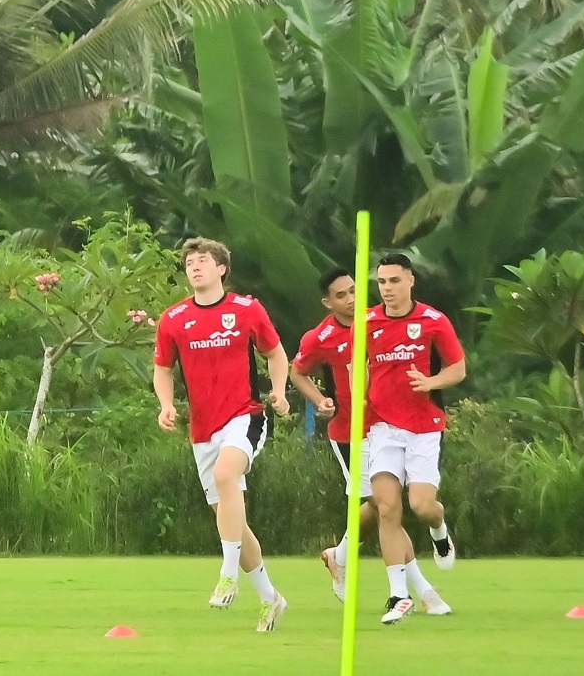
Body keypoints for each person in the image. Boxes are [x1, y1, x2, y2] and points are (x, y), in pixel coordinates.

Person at [152, 237, 293, 632]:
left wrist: (279, 391)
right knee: (231, 519)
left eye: (202, 261)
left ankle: (228, 573)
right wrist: (166, 404)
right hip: (202, 429)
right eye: (189, 262)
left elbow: (276, 353)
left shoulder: (246, 309)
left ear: (221, 268)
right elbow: (163, 369)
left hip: (245, 415)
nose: (194, 267)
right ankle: (270, 597)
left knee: (227, 475)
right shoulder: (174, 318)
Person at [362, 250, 467, 625]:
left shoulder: (433, 321)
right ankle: (398, 595)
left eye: (394, 281)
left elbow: (458, 368)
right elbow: (356, 368)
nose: (387, 289)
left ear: (410, 281)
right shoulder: (367, 323)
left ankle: (440, 532)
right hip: (382, 429)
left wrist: (431, 382)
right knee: (387, 507)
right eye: (381, 282)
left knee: (423, 506)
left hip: (423, 428)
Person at [289, 267, 364, 600]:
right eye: (341, 295)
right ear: (328, 302)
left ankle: (339, 556)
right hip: (348, 432)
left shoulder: (377, 323)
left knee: (386, 505)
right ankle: (416, 592)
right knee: (378, 503)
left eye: (353, 291)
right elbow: (298, 371)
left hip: (387, 427)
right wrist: (321, 400)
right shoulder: (320, 338)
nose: (351, 300)